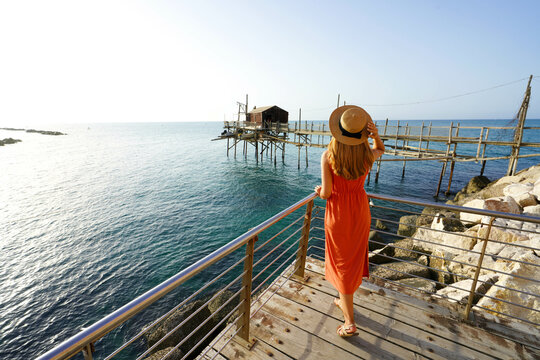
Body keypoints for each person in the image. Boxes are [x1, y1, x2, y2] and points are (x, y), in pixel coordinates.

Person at [315, 105, 384, 337]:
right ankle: (344, 300)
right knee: (351, 260)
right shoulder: (366, 156)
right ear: (361, 134)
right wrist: (375, 136)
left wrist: (318, 190)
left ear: (338, 132)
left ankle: (349, 322)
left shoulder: (328, 156)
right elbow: (381, 150)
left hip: (338, 215)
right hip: (360, 212)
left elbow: (325, 194)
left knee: (341, 263)